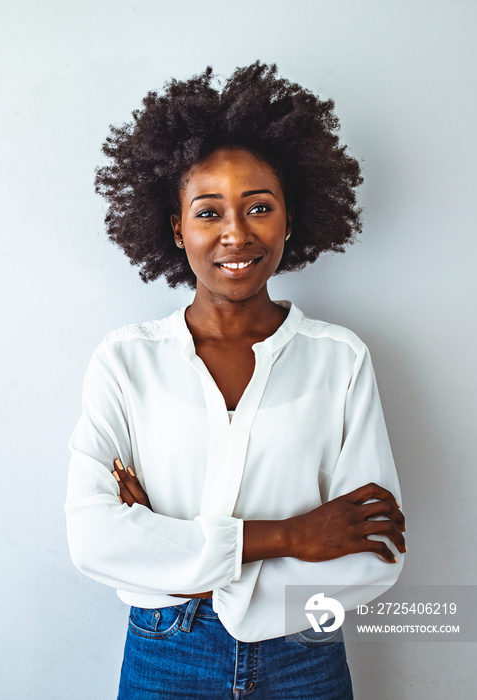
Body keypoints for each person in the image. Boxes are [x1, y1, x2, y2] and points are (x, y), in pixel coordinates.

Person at [65, 62, 406, 699]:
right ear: (176, 227)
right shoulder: (124, 362)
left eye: (258, 207)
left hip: (304, 655)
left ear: (289, 218)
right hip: (166, 655)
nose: (235, 233)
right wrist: (293, 537)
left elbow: (373, 551)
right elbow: (94, 538)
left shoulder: (341, 359)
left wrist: (173, 549)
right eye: (208, 211)